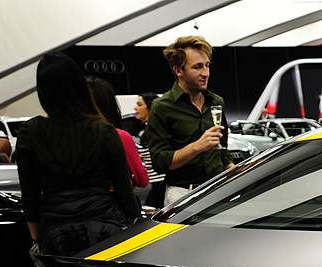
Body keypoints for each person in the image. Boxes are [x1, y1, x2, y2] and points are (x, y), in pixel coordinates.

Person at [15, 52, 138, 257]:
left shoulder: (30, 132)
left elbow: (30, 198)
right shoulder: (104, 131)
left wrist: (38, 241)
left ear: (43, 92)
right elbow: (125, 194)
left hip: (54, 233)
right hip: (107, 227)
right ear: (79, 87)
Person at [146, 35, 233, 207]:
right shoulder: (162, 106)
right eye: (197, 67)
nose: (205, 73)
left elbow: (222, 149)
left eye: (207, 65)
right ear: (178, 70)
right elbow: (160, 162)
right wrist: (197, 146)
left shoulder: (216, 102)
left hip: (218, 189)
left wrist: (232, 168)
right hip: (182, 194)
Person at [86, 76, 149, 189]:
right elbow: (142, 180)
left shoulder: (66, 137)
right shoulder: (118, 136)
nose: (135, 108)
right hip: (109, 202)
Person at [132, 91, 166, 208]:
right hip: (157, 183)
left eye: (140, 105)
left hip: (162, 183)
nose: (135, 107)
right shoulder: (145, 130)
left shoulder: (157, 129)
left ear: (151, 107)